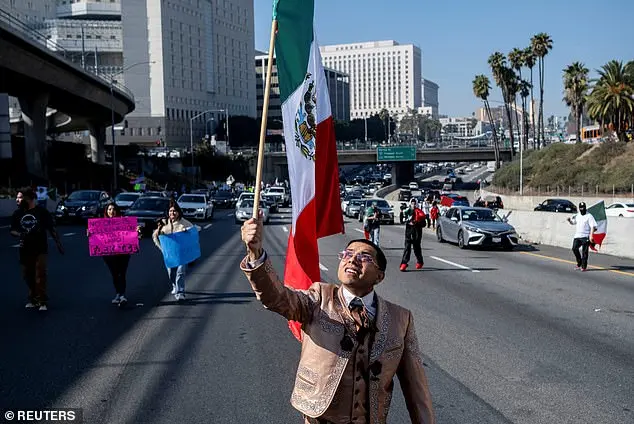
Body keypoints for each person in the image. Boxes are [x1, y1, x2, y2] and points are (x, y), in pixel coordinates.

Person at [240, 215, 435, 424]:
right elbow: (275, 297)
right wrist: (255, 253)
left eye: (365, 257)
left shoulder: (401, 319)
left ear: (380, 277)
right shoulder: (317, 298)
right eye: (348, 254)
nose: (352, 259)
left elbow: (416, 389)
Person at [10, 187, 64, 311]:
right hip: (24, 249)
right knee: (27, 275)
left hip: (40, 248)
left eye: (20, 197)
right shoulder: (17, 213)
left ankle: (42, 300)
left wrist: (59, 244)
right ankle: (33, 296)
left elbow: (52, 228)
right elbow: (12, 230)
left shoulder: (41, 212)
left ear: (29, 199)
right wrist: (19, 234)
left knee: (40, 274)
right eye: (17, 197)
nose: (17, 200)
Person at [88, 202, 141, 305]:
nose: (111, 211)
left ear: (117, 211)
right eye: (109, 209)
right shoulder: (101, 224)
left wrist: (136, 231)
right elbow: (96, 237)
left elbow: (132, 234)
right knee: (115, 274)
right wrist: (90, 234)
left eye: (113, 209)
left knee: (122, 273)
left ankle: (122, 295)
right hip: (109, 254)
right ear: (106, 211)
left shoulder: (124, 222)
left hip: (123, 253)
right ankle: (118, 293)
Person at [153, 200, 195, 300]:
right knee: (171, 272)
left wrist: (186, 233)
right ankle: (174, 286)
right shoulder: (164, 223)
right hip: (170, 253)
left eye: (174, 211)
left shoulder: (184, 223)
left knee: (180, 272)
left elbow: (193, 233)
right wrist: (162, 247)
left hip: (181, 253)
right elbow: (156, 237)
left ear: (178, 212)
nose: (172, 213)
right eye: (170, 211)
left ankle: (180, 292)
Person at [567, 202, 597, 272]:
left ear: (585, 208)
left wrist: (591, 236)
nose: (582, 209)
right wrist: (569, 221)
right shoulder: (578, 215)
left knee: (584, 252)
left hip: (585, 236)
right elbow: (573, 222)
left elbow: (593, 226)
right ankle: (579, 262)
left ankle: (584, 266)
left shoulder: (589, 216)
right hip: (577, 236)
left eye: (583, 207)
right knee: (574, 248)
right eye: (581, 207)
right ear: (579, 208)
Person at [400, 198, 425, 271]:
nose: (413, 205)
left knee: (416, 248)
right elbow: (402, 221)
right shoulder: (407, 211)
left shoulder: (419, 212)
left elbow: (424, 224)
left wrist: (417, 222)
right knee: (407, 248)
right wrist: (401, 212)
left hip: (417, 233)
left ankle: (420, 261)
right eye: (412, 203)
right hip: (408, 232)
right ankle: (404, 263)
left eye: (414, 204)